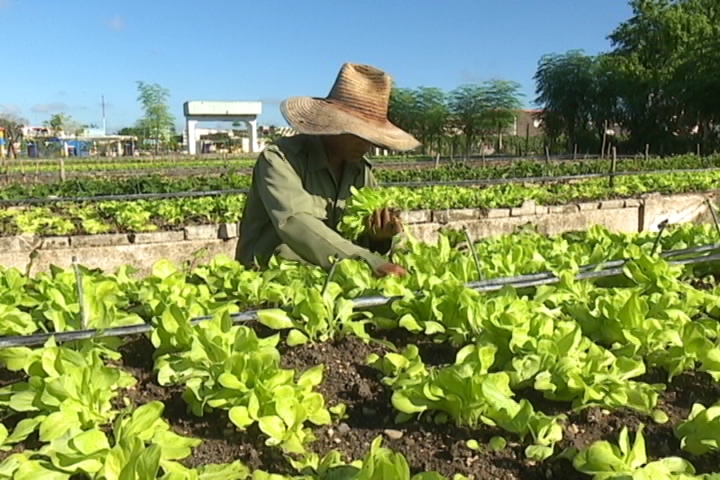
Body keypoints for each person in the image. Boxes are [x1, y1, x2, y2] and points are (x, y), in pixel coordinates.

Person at [236, 62, 421, 277]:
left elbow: (362, 237)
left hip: (330, 281)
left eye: (371, 136)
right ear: (332, 124)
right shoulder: (280, 159)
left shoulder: (361, 172)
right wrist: (370, 262)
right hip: (268, 282)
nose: (366, 144)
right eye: (359, 134)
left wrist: (379, 239)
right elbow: (295, 221)